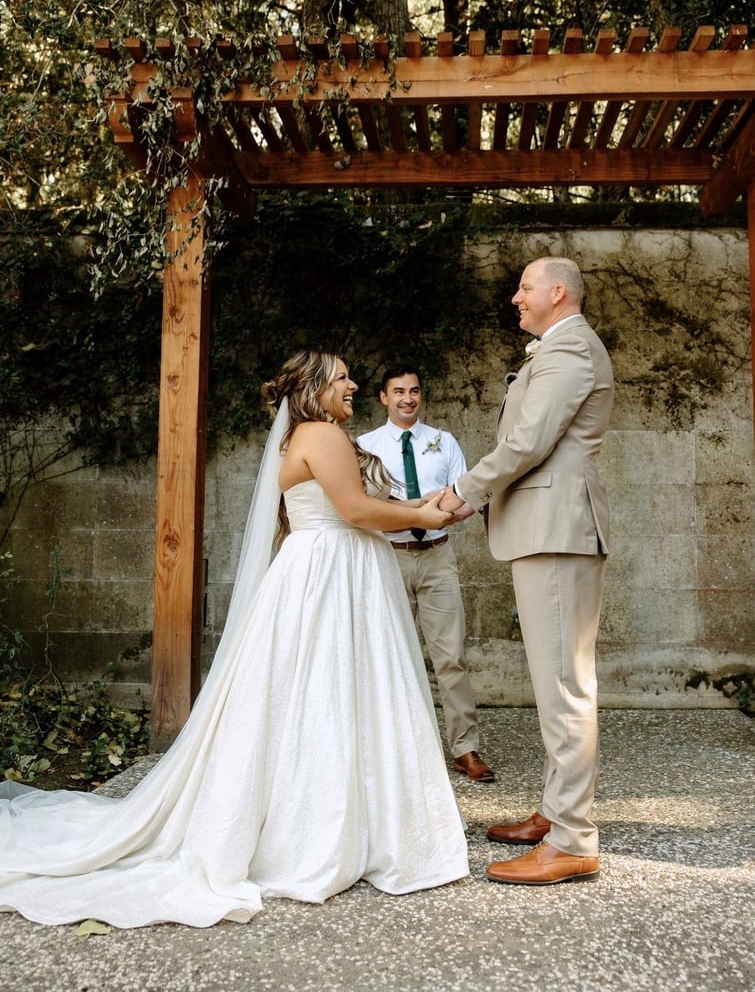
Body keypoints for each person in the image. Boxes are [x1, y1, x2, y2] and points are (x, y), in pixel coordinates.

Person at [0, 351, 469, 928]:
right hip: (331, 573)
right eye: (342, 377)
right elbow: (355, 511)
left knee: (321, 695)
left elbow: (377, 506)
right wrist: (433, 518)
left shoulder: (311, 434)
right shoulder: (320, 434)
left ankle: (346, 821)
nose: (353, 385)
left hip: (329, 569)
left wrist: (433, 504)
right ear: (316, 388)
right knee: (331, 693)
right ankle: (327, 832)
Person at [440, 257, 613, 885]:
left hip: (558, 529)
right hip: (548, 529)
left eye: (525, 287)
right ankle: (554, 812)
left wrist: (466, 490)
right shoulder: (557, 348)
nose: (516, 298)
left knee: (565, 687)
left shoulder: (569, 350)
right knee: (557, 683)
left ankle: (571, 839)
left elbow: (529, 441)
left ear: (557, 292)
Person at [358, 366, 494, 783]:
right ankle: (390, 752)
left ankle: (465, 748)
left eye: (414, 391)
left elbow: (466, 493)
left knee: (450, 657)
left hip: (437, 556)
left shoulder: (445, 441)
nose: (407, 399)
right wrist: (421, 507)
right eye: (398, 391)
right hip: (388, 557)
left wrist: (448, 512)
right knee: (384, 656)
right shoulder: (364, 445)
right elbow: (361, 504)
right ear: (383, 397)